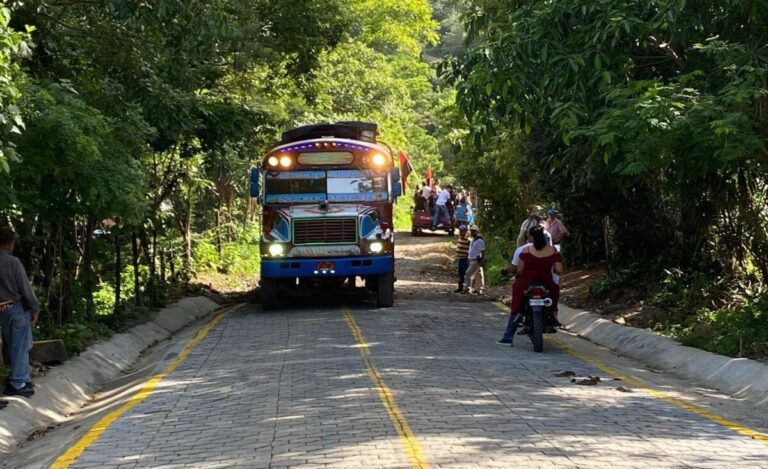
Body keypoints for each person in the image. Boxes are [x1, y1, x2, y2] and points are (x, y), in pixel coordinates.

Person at [0, 227, 38, 397]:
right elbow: (25, 287)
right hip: (15, 306)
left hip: (2, 308)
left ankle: (22, 375)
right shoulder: (12, 262)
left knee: (13, 343)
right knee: (20, 345)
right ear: (9, 243)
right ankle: (18, 382)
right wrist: (34, 307)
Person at [508, 225, 563, 324]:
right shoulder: (552, 250)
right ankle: (553, 313)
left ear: (530, 237)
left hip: (527, 280)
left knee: (517, 289)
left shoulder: (526, 250)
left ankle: (518, 313)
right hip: (546, 280)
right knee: (554, 290)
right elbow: (559, 270)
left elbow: (520, 270)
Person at [463, 224, 485, 294]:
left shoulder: (480, 241)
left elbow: (482, 251)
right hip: (471, 259)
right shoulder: (473, 239)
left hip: (476, 260)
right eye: (471, 231)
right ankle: (478, 289)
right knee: (478, 275)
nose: (472, 233)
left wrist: (482, 260)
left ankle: (467, 288)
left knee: (468, 273)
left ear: (476, 232)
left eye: (473, 231)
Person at [454, 225, 471, 293]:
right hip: (460, 258)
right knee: (460, 274)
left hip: (465, 259)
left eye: (462, 231)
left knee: (466, 273)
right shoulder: (460, 238)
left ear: (465, 232)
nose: (460, 232)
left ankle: (467, 288)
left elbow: (471, 249)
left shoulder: (468, 240)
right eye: (460, 231)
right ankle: (460, 287)